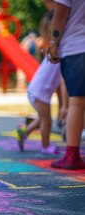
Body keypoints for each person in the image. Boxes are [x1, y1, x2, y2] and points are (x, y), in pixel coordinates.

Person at [16, 2, 68, 155]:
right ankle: (45, 146)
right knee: (47, 121)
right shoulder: (59, 51)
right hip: (40, 93)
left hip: (36, 90)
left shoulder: (52, 51)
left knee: (42, 118)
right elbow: (63, 82)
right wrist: (65, 105)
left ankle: (24, 132)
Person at [48, 0, 85, 169]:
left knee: (76, 103)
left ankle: (72, 155)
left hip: (76, 47)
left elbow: (60, 14)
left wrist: (54, 42)